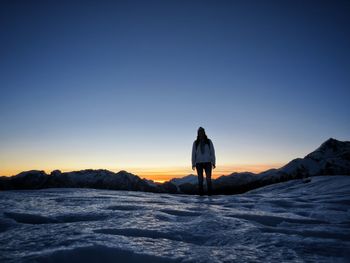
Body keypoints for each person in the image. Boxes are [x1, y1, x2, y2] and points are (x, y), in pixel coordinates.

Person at [191, 127, 216, 196]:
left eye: (202, 132)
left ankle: (210, 195)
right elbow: (193, 153)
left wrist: (213, 162)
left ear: (204, 133)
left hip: (208, 162)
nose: (201, 133)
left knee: (208, 179)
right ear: (198, 133)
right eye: (199, 132)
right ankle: (201, 196)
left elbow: (212, 152)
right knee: (200, 180)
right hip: (199, 163)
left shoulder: (208, 141)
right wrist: (193, 164)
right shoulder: (196, 143)